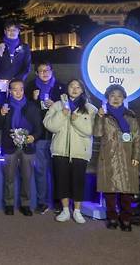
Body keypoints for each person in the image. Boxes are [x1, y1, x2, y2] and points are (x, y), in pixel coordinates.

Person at [43, 79, 97, 224]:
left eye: (78, 87)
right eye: (72, 86)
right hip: (60, 150)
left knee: (78, 182)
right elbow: (50, 126)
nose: (74, 89)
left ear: (82, 90)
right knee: (61, 181)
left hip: (80, 151)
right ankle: (65, 210)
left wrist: (75, 119)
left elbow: (90, 131)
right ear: (67, 88)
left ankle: (77, 211)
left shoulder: (91, 108)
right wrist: (62, 114)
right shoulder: (57, 105)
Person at [93, 84, 140, 232]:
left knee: (127, 191)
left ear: (123, 99)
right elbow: (97, 133)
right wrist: (99, 117)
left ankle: (126, 218)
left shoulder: (131, 116)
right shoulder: (103, 114)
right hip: (108, 157)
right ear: (107, 98)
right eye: (112, 96)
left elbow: (137, 137)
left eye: (119, 96)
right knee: (110, 190)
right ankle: (112, 218)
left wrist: (136, 155)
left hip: (127, 157)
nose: (116, 99)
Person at [0, 78, 43, 216]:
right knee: (9, 177)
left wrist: (33, 137)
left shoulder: (32, 106)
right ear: (10, 91)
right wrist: (2, 114)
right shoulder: (4, 106)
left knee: (26, 177)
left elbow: (39, 129)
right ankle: (9, 203)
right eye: (15, 89)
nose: (18, 92)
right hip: (9, 146)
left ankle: (25, 204)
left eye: (20, 89)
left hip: (28, 146)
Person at [26, 61, 66, 215]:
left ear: (52, 70)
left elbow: (68, 108)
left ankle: (58, 202)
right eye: (41, 71)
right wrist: (34, 100)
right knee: (41, 170)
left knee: (57, 170)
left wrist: (56, 105)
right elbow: (25, 110)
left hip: (58, 135)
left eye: (47, 70)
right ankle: (42, 202)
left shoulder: (61, 87)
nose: (44, 73)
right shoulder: (30, 87)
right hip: (40, 135)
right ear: (36, 73)